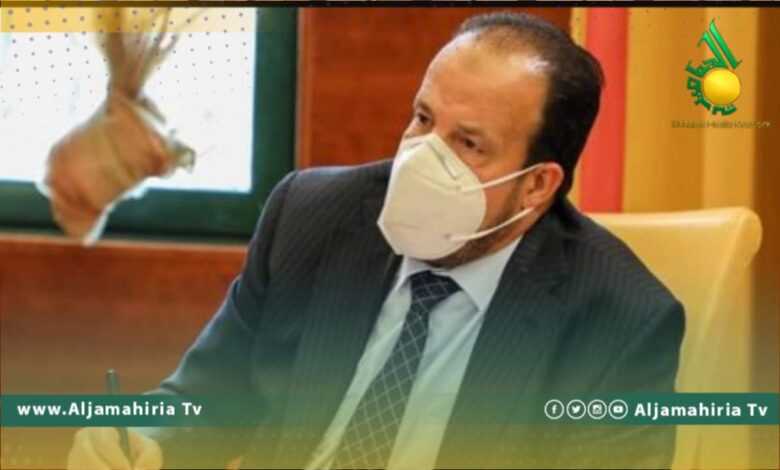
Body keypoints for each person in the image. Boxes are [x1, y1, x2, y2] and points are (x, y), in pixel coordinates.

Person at [67, 11, 685, 470]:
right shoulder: (313, 215)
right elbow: (210, 396)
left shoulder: (622, 320)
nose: (423, 156)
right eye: (423, 119)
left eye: (469, 144)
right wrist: (142, 438)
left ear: (536, 186)